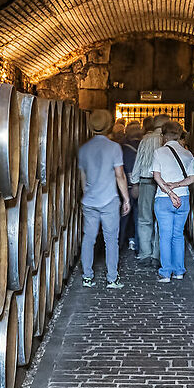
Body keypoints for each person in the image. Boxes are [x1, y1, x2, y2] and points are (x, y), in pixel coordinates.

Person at [76, 108, 132, 289]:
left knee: (88, 238)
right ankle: (112, 278)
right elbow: (120, 175)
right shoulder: (114, 147)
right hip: (109, 200)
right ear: (109, 126)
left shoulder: (83, 148)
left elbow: (82, 177)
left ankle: (87, 277)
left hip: (90, 200)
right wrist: (126, 199)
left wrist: (87, 193)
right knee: (111, 240)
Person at [148, 121, 194, 283]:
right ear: (179, 135)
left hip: (163, 199)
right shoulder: (188, 154)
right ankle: (179, 271)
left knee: (165, 236)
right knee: (178, 235)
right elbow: (192, 178)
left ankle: (166, 272)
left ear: (163, 136)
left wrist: (169, 191)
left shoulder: (159, 152)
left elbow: (156, 176)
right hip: (183, 198)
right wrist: (177, 186)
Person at [128, 117, 165, 262]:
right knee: (160, 219)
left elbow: (139, 161)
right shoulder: (167, 141)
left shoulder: (146, 139)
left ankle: (145, 252)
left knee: (145, 219)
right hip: (164, 184)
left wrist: (134, 183)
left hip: (146, 181)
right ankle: (158, 253)